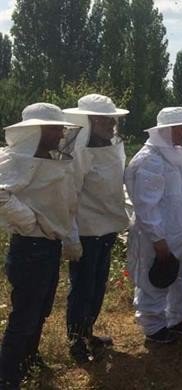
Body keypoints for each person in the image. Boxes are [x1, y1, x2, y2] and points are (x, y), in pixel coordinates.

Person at [0, 103, 80, 387]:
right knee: (24, 314)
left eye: (61, 127)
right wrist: (29, 221)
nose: (61, 133)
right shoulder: (17, 159)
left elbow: (64, 203)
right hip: (29, 249)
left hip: (48, 246)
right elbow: (1, 194)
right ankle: (7, 375)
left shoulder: (51, 158)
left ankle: (29, 359)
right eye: (55, 127)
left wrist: (69, 237)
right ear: (37, 130)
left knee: (42, 308)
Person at [61, 94, 129, 362]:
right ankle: (76, 341)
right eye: (106, 120)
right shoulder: (77, 151)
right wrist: (71, 236)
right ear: (90, 121)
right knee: (82, 287)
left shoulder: (110, 147)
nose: (113, 124)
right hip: (86, 231)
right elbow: (69, 196)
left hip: (107, 227)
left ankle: (88, 332)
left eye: (113, 119)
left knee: (98, 285)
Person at [125, 107, 182, 344]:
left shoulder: (173, 155)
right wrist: (158, 241)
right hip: (158, 237)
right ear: (164, 130)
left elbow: (179, 199)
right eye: (179, 128)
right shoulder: (150, 160)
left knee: (181, 278)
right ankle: (154, 327)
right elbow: (147, 207)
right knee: (155, 279)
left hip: (179, 233)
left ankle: (175, 320)